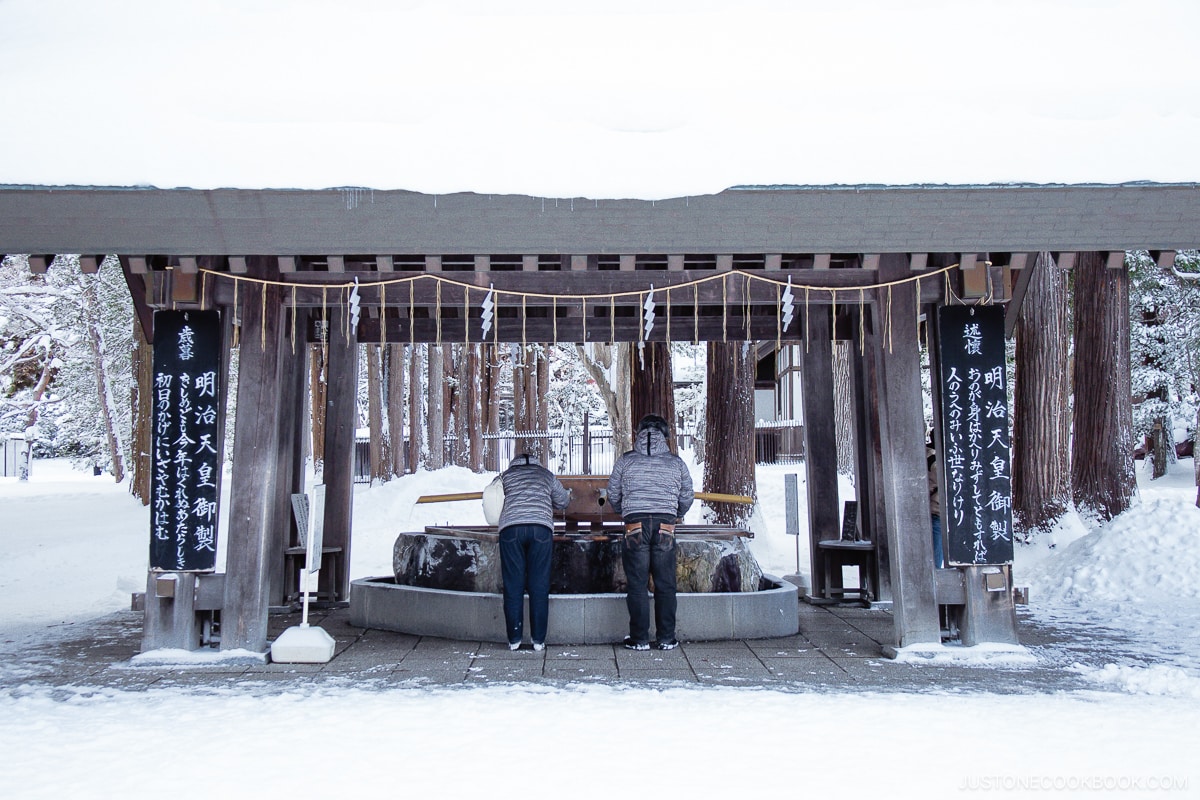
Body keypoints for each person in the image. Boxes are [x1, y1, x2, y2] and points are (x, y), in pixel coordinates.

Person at [606, 414, 694, 651]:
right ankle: (666, 638)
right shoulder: (676, 463)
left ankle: (639, 639)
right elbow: (687, 496)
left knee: (637, 583)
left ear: (639, 434)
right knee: (665, 583)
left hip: (634, 525)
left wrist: (626, 512)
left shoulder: (626, 461)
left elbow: (613, 493)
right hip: (666, 525)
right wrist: (674, 513)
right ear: (665, 436)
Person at [496, 452, 571, 651]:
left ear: (515, 463)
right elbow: (563, 501)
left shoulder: (505, 476)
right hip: (541, 528)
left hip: (511, 529)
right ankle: (538, 640)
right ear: (537, 462)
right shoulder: (546, 475)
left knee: (513, 585)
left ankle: (514, 639)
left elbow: (492, 500)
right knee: (539, 584)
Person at [928, 437, 944, 568]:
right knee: (936, 552)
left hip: (937, 510)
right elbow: (942, 478)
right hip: (936, 510)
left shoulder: (931, 455)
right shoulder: (931, 457)